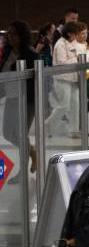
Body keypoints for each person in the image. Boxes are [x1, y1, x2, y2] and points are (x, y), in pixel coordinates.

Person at [0, 21, 39, 172]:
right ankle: (32, 152)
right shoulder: (8, 52)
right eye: (8, 33)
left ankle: (23, 170)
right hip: (11, 98)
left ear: (22, 35)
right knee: (8, 133)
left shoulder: (31, 54)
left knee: (21, 135)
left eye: (14, 33)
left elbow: (37, 80)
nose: (10, 36)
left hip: (26, 101)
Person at [45, 22, 82, 136]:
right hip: (62, 79)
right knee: (64, 105)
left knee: (75, 105)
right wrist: (76, 59)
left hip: (75, 79)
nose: (78, 36)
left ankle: (74, 130)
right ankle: (47, 126)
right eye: (76, 34)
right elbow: (62, 63)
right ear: (69, 33)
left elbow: (82, 55)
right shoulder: (60, 44)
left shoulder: (76, 43)